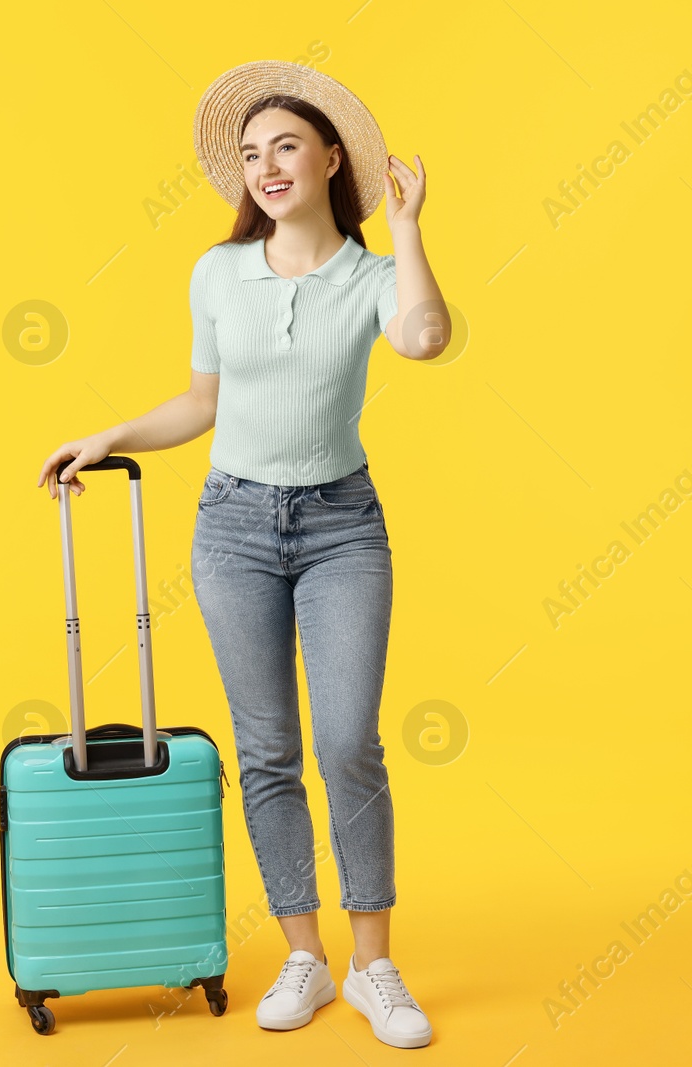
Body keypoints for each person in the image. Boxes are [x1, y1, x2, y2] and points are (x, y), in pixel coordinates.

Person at [35, 60, 449, 1050]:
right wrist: (113, 435)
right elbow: (202, 402)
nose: (265, 167)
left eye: (286, 147)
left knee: (348, 741)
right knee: (265, 751)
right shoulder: (216, 272)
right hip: (232, 527)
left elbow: (426, 339)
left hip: (342, 525)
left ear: (331, 158)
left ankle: (373, 962)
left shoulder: (372, 276)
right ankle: (303, 952)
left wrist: (405, 225)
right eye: (251, 154)